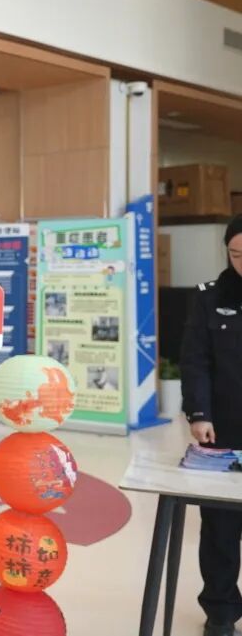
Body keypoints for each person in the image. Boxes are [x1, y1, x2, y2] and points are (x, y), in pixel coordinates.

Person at [181, 214, 242, 636]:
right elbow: (195, 359)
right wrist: (199, 413)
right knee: (220, 527)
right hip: (223, 430)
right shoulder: (209, 297)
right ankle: (221, 611)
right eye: (236, 254)